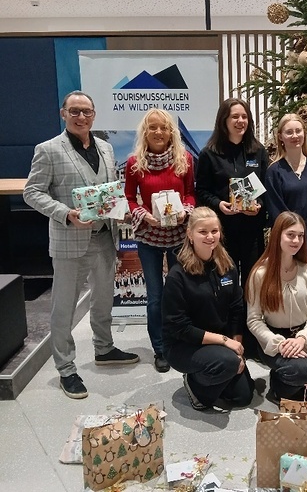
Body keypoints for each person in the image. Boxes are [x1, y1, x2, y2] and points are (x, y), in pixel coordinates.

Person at [23, 90, 139, 400]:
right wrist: (66, 214)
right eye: (74, 111)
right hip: (70, 241)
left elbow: (110, 190)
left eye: (86, 111)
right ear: (63, 114)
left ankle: (103, 348)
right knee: (64, 308)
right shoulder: (48, 150)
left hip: (104, 238)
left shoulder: (105, 147)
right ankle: (66, 368)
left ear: (94, 114)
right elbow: (32, 193)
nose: (81, 116)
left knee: (103, 300)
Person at [161, 207, 254, 411]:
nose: (210, 237)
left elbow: (237, 310)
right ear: (190, 234)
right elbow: (180, 328)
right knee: (226, 366)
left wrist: (237, 348)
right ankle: (195, 384)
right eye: (203, 232)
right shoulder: (177, 276)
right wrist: (225, 342)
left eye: (214, 231)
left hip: (220, 344)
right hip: (184, 345)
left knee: (243, 396)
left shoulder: (228, 267)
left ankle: (215, 371)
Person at [195, 98, 269, 354]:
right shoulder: (209, 154)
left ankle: (251, 336)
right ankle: (225, 337)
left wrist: (259, 206)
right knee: (224, 284)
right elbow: (201, 191)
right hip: (221, 234)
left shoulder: (257, 151)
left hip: (251, 232)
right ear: (224, 121)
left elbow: (265, 190)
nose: (240, 121)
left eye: (244, 117)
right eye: (235, 117)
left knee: (252, 284)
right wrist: (219, 204)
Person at [124, 109, 195, 373]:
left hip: (178, 235)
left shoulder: (184, 159)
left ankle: (180, 340)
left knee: (179, 294)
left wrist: (184, 212)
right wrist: (144, 215)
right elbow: (130, 199)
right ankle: (160, 349)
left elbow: (190, 193)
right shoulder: (134, 163)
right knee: (155, 297)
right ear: (145, 132)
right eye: (152, 127)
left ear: (170, 132)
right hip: (149, 237)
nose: (158, 132)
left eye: (163, 127)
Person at [246, 211, 307, 402]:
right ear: (277, 235)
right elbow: (254, 320)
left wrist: (302, 339)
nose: (296, 240)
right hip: (275, 339)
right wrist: (280, 344)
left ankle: (287, 380)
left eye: (300, 236)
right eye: (290, 235)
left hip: (303, 338)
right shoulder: (260, 273)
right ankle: (280, 384)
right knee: (301, 370)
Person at [265, 114, 307, 300]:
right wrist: (294, 237)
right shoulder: (274, 171)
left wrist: (305, 238)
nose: (295, 136)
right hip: (286, 245)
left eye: (298, 131)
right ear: (280, 137)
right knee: (289, 291)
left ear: (304, 134)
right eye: (289, 132)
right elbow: (276, 208)